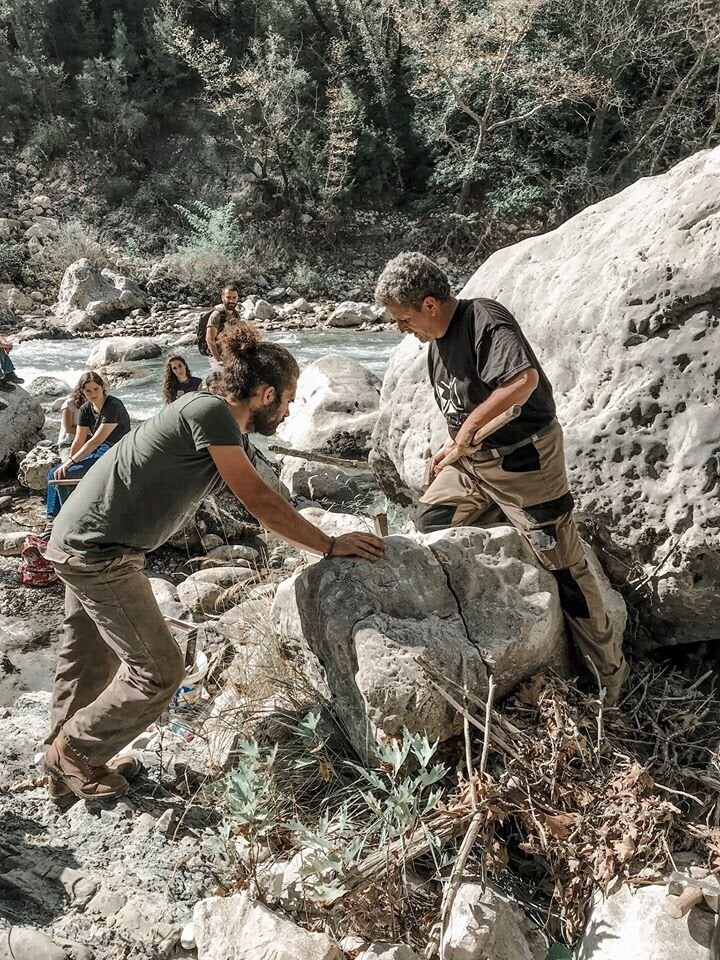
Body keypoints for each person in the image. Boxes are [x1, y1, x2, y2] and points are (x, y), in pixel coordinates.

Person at [43, 323, 385, 800]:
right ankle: (75, 752)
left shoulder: (201, 408)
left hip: (77, 538)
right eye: (287, 401)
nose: (287, 413)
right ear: (265, 394)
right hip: (100, 554)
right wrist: (327, 544)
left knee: (86, 659)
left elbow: (258, 489)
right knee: (160, 671)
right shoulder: (214, 413)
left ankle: (63, 766)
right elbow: (259, 502)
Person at [375, 252, 627, 705]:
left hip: (523, 462)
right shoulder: (435, 341)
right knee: (430, 521)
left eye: (403, 318)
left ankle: (609, 674)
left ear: (430, 304)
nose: (401, 328)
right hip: (473, 466)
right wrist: (453, 445)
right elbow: (466, 405)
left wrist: (468, 431)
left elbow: (521, 382)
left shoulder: (482, 317)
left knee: (563, 565)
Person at [45, 373, 131, 528]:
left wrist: (70, 464)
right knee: (55, 473)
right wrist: (68, 463)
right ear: (82, 392)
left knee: (65, 474)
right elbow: (78, 440)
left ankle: (68, 519)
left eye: (96, 389)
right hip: (98, 450)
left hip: (116, 450)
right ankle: (52, 519)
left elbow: (96, 440)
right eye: (88, 391)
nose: (93, 394)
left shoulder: (113, 405)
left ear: (103, 387)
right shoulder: (85, 409)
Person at [205, 284, 241, 366]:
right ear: (222, 298)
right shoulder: (216, 315)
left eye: (234, 297)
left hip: (230, 355)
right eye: (228, 297)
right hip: (217, 356)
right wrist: (218, 359)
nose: (231, 301)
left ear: (237, 298)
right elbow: (209, 339)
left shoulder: (236, 314)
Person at [57, 388, 83, 461]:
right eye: (88, 390)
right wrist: (87, 432)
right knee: (69, 467)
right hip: (68, 443)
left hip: (87, 442)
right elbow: (68, 428)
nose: (92, 393)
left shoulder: (95, 404)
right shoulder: (69, 403)